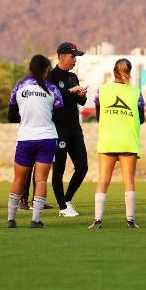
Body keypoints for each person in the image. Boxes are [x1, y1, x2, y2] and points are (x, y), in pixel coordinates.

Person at [6, 55, 64, 228]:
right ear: (46, 70)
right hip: (47, 138)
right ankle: (35, 220)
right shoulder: (52, 89)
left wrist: (26, 119)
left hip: (25, 138)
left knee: (18, 180)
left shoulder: (19, 86)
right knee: (41, 180)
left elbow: (11, 116)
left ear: (30, 68)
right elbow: (59, 116)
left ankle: (11, 219)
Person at [89, 58, 145, 229]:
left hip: (108, 139)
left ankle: (97, 220)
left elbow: (99, 116)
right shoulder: (136, 92)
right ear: (130, 72)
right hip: (128, 140)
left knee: (103, 180)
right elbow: (141, 119)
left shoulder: (102, 90)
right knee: (129, 180)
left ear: (114, 71)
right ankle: (130, 220)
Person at [48, 42, 89, 218]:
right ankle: (63, 207)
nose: (75, 60)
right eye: (73, 57)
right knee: (59, 170)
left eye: (76, 57)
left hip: (74, 128)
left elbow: (80, 102)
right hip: (58, 129)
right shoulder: (51, 76)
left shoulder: (73, 76)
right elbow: (51, 99)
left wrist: (81, 95)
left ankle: (67, 200)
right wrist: (69, 91)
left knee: (82, 167)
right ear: (61, 56)